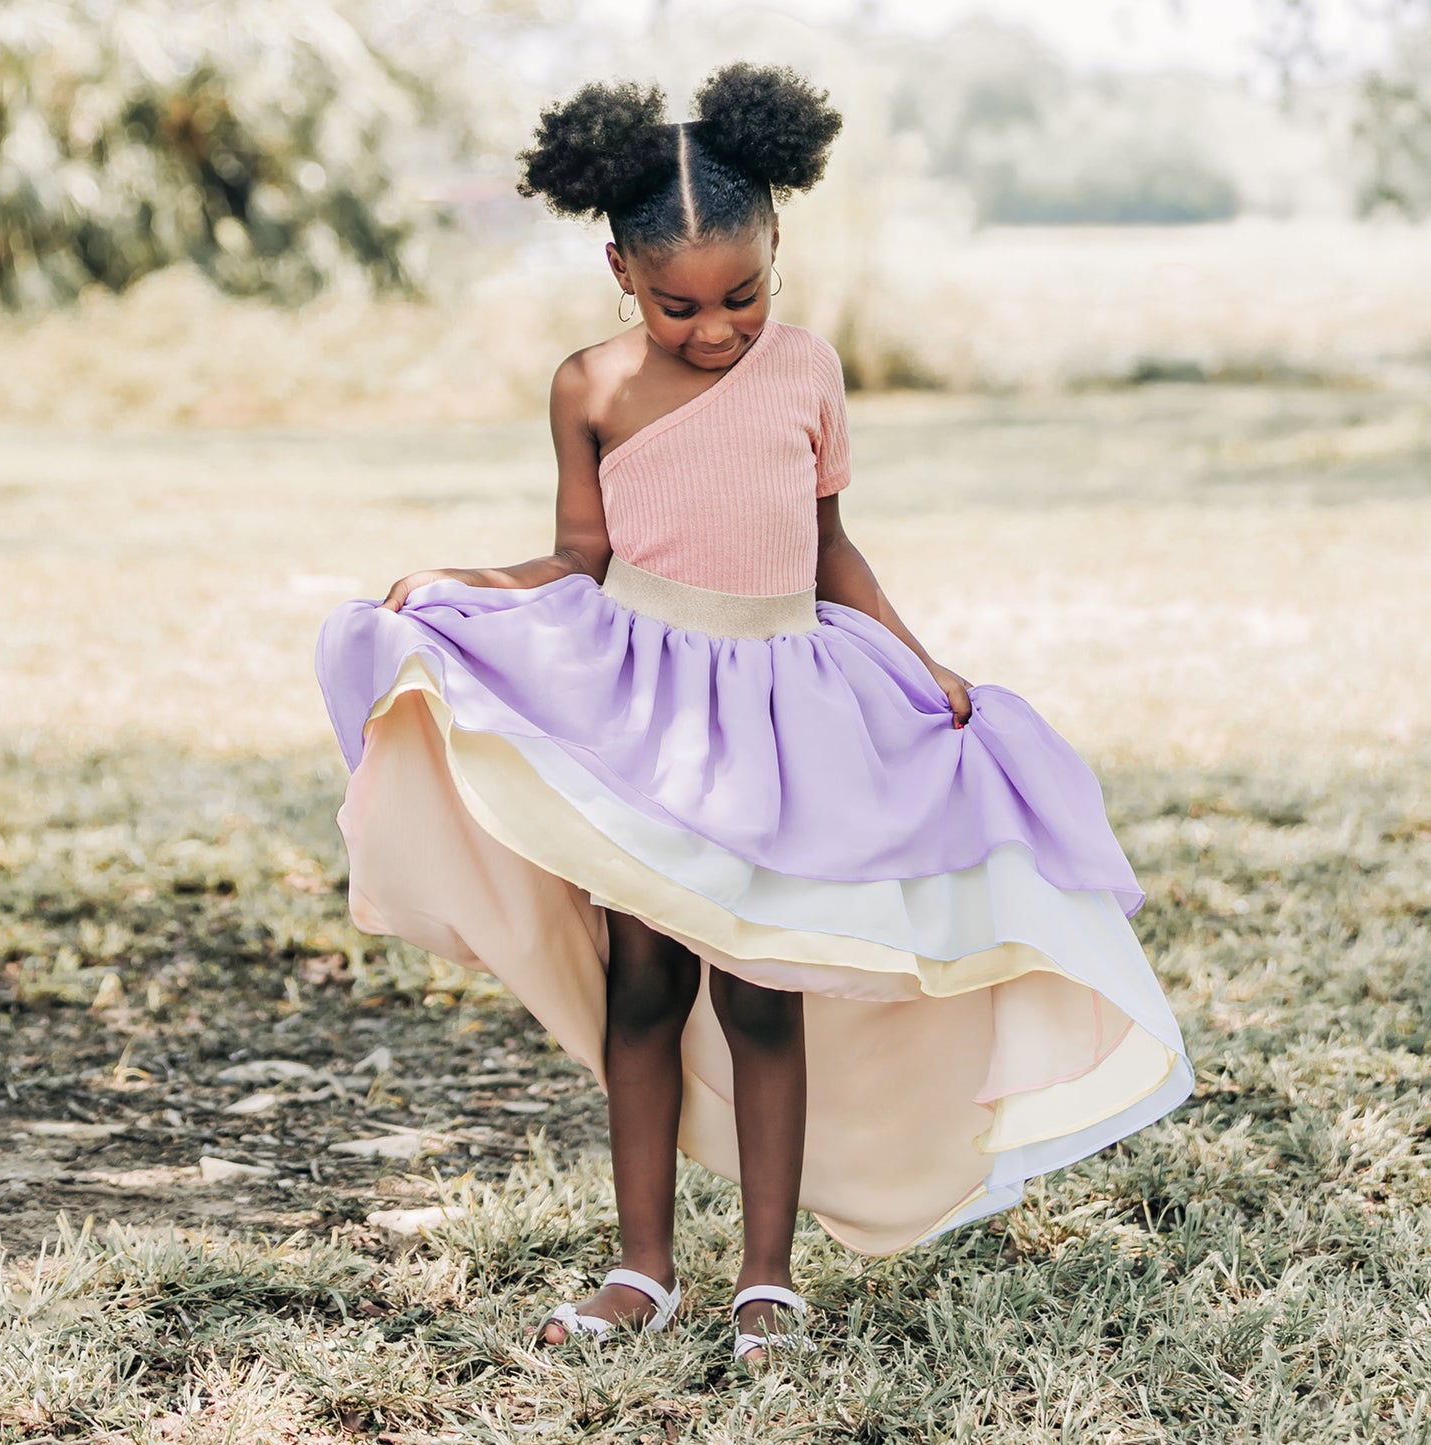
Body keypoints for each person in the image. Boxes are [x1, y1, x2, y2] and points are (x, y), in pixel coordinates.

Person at [314, 61, 1193, 1368]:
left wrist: (915, 658)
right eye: (679, 306)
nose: (717, 330)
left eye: (744, 295)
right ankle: (641, 1264)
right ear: (618, 271)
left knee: (768, 992)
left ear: (777, 247)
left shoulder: (808, 373)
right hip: (646, 713)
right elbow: (580, 559)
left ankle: (766, 1276)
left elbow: (829, 545)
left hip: (786, 714)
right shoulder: (591, 387)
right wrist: (464, 586)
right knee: (642, 988)